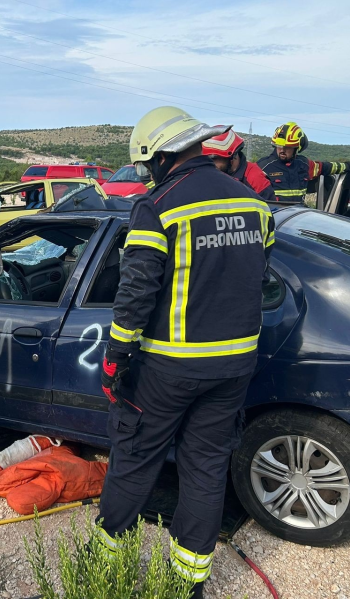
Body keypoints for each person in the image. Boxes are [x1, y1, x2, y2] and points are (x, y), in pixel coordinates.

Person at [95, 106, 274, 598]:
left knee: (134, 458)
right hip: (235, 366)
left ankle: (105, 562)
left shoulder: (159, 206)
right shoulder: (255, 204)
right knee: (205, 469)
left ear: (160, 157)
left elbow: (136, 292)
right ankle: (186, 584)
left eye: (144, 165)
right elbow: (256, 278)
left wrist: (115, 357)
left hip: (168, 366)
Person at [258, 122, 350, 204]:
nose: (282, 150)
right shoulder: (262, 167)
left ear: (296, 149)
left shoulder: (304, 164)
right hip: (275, 219)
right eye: (279, 146)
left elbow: (327, 168)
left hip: (297, 217)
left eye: (287, 147)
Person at [202, 129, 275, 201]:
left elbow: (270, 208)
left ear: (232, 157)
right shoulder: (212, 173)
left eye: (214, 158)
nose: (210, 163)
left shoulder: (254, 178)